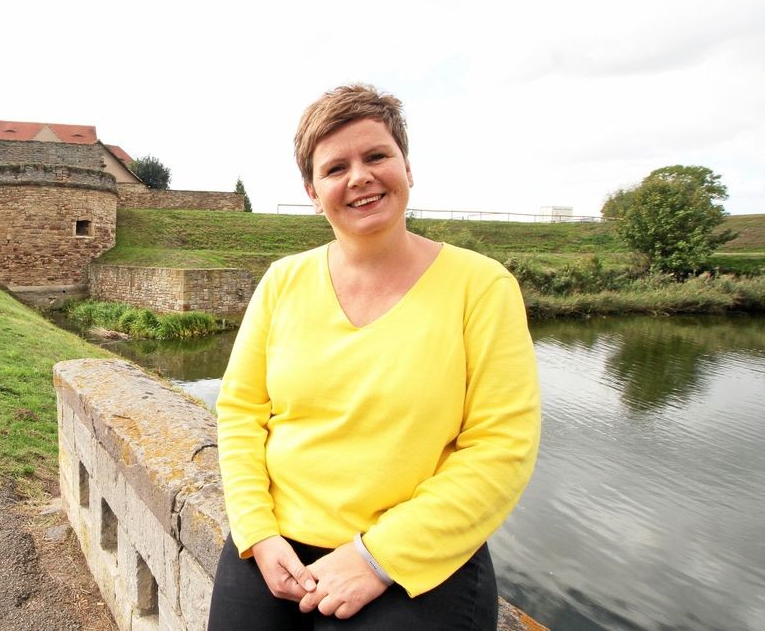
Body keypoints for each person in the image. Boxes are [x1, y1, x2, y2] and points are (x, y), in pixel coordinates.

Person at [208, 84, 540, 629]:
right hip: (274, 551)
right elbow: (241, 411)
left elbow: (501, 447)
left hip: (413, 562)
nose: (359, 176)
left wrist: (375, 558)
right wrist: (257, 531)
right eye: (335, 167)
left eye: (377, 156)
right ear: (313, 191)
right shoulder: (283, 281)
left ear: (407, 168)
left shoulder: (481, 286)